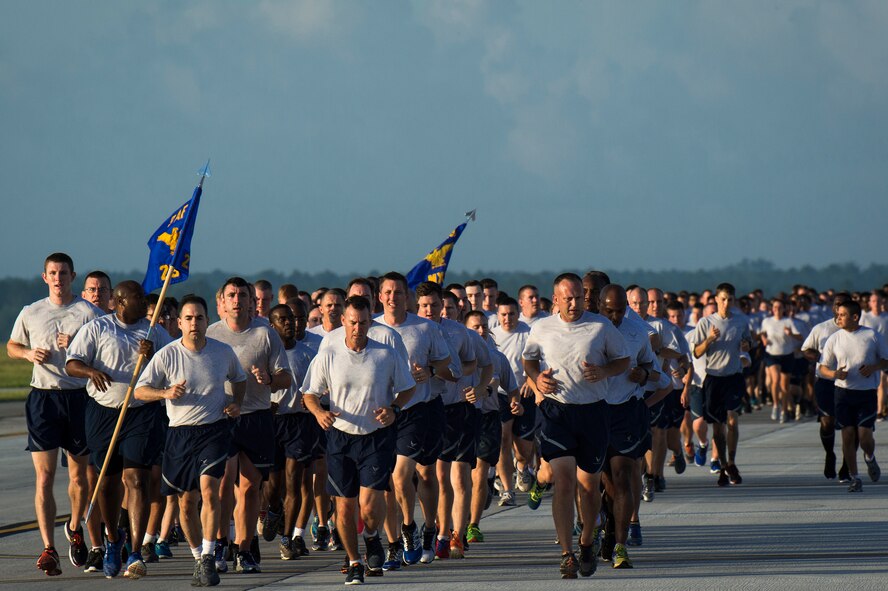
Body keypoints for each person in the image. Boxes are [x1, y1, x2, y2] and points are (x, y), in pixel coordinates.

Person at [302, 297, 416, 584]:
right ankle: (354, 561)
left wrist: (395, 409)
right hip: (340, 437)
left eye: (363, 323)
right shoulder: (329, 353)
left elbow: (407, 388)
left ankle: (372, 536)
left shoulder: (385, 354)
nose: (357, 328)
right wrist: (319, 412)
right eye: (352, 322)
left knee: (368, 505)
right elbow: (310, 393)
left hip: (375, 437)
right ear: (343, 321)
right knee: (344, 505)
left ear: (370, 322)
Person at [135, 294, 247, 587]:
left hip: (214, 430)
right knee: (186, 504)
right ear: (180, 323)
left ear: (207, 321)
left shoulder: (223, 352)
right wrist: (165, 393)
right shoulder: (168, 354)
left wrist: (236, 403)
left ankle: (210, 556)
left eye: (199, 317)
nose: (194, 323)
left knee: (210, 491)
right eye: (188, 318)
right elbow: (140, 391)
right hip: (179, 434)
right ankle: (198, 556)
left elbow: (239, 378)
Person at [523, 273, 629, 579]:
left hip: (593, 413)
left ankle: (586, 543)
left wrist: (604, 370)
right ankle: (567, 554)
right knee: (564, 481)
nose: (573, 303)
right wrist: (537, 379)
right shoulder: (542, 327)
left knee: (588, 485)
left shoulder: (600, 326)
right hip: (557, 413)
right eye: (567, 298)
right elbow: (528, 360)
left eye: (578, 297)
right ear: (555, 299)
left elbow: (622, 360)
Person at [65, 281, 172, 578]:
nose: (144, 302)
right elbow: (71, 364)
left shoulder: (154, 333)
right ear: (120, 302)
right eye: (137, 297)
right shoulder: (99, 328)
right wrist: (91, 371)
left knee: (137, 479)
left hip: (140, 413)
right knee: (108, 483)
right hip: (103, 413)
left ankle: (136, 552)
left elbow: (171, 370)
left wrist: (152, 356)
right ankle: (114, 540)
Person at [7, 252, 102, 576]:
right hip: (43, 399)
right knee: (44, 477)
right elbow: (12, 345)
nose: (58, 278)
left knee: (79, 477)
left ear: (73, 276)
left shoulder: (88, 312)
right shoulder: (31, 312)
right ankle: (49, 549)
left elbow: (102, 352)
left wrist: (76, 343)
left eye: (63, 273)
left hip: (77, 398)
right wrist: (28, 353)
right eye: (53, 273)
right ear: (44, 277)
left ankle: (75, 526)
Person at [207, 277, 291, 574]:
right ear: (223, 301)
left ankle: (245, 548)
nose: (237, 299)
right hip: (222, 416)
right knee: (221, 487)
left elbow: (285, 377)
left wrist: (269, 379)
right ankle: (220, 542)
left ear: (250, 301)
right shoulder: (212, 334)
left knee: (249, 488)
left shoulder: (265, 334)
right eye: (232, 295)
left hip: (256, 415)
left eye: (243, 294)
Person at [375, 272, 454, 564]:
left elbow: (445, 362)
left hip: (421, 409)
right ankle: (403, 533)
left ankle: (429, 527)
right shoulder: (371, 328)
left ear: (406, 297)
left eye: (399, 293)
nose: (393, 298)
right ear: (380, 296)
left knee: (424, 474)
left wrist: (430, 371)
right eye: (388, 292)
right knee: (394, 478)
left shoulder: (424, 327)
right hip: (383, 412)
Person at [598, 284, 661, 567]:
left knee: (622, 475)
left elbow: (656, 372)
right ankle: (604, 527)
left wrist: (644, 373)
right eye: (609, 310)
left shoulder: (637, 333)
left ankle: (621, 546)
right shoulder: (587, 331)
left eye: (620, 310)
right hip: (592, 412)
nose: (615, 316)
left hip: (625, 412)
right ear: (599, 306)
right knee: (597, 482)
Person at [263, 304, 317, 560]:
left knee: (294, 479)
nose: (290, 323)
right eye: (282, 319)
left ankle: (288, 538)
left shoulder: (307, 353)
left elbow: (319, 386)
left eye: (293, 318)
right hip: (272, 423)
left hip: (299, 423)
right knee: (274, 486)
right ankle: (274, 510)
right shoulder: (267, 354)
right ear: (271, 325)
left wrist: (313, 400)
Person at [819, 300, 888, 492]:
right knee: (848, 436)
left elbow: (886, 360)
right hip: (843, 393)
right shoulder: (834, 338)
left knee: (865, 437)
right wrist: (834, 374)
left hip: (866, 394)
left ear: (855, 317)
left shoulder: (872, 335)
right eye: (837, 314)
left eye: (842, 315)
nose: (838, 318)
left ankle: (870, 457)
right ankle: (855, 477)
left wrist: (874, 367)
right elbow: (823, 367)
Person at [691, 283, 752, 487]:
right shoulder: (706, 322)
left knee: (732, 421)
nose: (727, 303)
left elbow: (748, 343)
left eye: (730, 299)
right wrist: (709, 339)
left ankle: (732, 462)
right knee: (717, 429)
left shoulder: (741, 321)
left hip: (733, 377)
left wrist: (746, 345)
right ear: (716, 299)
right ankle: (724, 466)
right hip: (713, 379)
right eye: (723, 299)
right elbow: (697, 352)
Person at [802, 293, 850, 480]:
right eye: (837, 305)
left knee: (849, 426)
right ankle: (830, 454)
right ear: (833, 307)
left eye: (844, 305)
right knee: (827, 421)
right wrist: (816, 356)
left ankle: (847, 464)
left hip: (849, 383)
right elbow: (806, 349)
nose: (840, 309)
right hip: (825, 381)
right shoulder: (821, 328)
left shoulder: (859, 330)